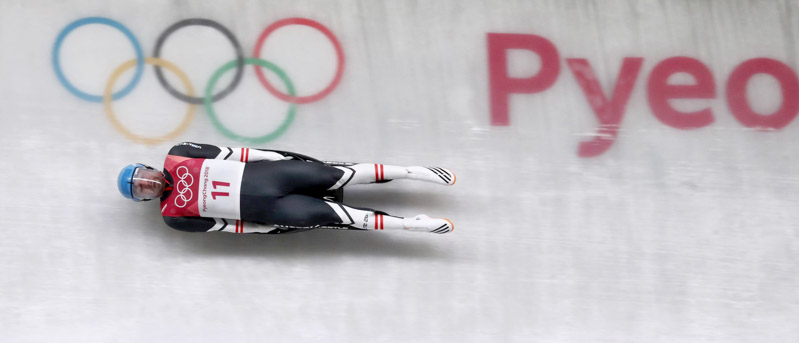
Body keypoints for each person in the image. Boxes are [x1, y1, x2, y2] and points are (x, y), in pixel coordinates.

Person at [117, 142, 456, 234]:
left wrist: (272, 157)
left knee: (341, 174)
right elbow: (224, 226)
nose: (149, 184)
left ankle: (414, 172)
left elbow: (231, 152)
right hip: (268, 211)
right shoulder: (173, 216)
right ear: (145, 198)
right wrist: (262, 230)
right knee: (341, 217)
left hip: (271, 176)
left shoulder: (179, 154)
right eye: (143, 190)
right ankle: (412, 225)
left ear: (147, 167)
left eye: (144, 177)